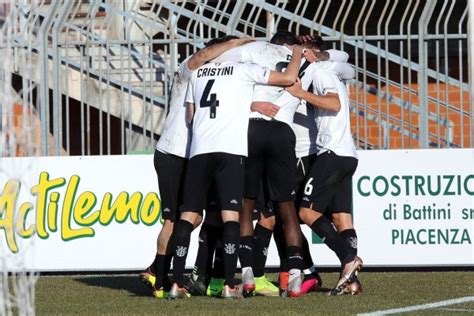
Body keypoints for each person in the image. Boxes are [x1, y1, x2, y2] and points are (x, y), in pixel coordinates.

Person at [167, 44, 303, 299]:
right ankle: (230, 285)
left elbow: (191, 113)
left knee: (187, 217)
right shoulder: (242, 70)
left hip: (199, 150)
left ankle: (176, 283)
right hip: (229, 152)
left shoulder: (198, 73)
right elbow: (287, 78)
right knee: (231, 216)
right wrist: (296, 53)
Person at [139, 36, 254, 299]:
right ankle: (158, 276)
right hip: (173, 152)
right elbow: (201, 56)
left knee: (198, 217)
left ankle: (171, 273)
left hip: (195, 155)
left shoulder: (217, 77)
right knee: (174, 220)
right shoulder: (189, 69)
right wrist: (236, 43)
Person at [285, 43, 363, 296]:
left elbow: (333, 104)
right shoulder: (331, 69)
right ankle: (351, 281)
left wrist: (300, 94)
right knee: (342, 218)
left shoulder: (320, 72)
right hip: (346, 154)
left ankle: (348, 258)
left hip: (331, 152)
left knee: (306, 212)